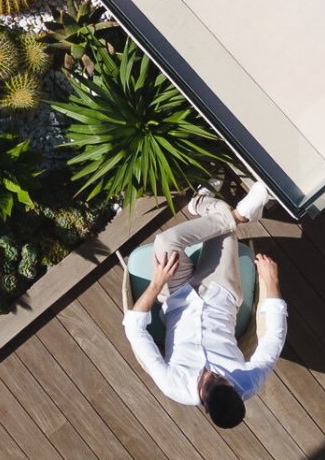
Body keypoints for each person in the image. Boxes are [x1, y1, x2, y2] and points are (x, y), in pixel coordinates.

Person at [122, 181, 287, 430]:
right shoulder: (248, 381)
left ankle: (217, 208)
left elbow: (134, 330)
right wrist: (272, 282)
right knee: (224, 228)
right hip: (221, 291)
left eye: (208, 382)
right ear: (233, 387)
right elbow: (274, 338)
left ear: (205, 406)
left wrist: (157, 284)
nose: (210, 374)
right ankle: (221, 210)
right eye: (221, 378)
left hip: (176, 297)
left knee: (165, 242)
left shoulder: (173, 385)